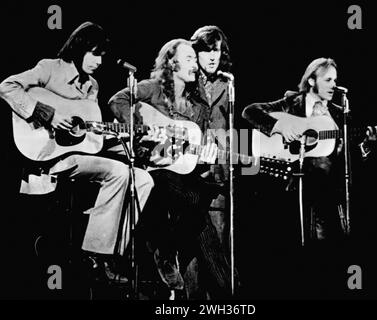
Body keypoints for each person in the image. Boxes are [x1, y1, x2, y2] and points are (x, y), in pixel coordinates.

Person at [0, 22, 154, 282]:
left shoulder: (92, 85)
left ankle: (108, 251)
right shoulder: (50, 68)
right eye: (94, 53)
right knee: (118, 172)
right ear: (78, 48)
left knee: (142, 177)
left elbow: (88, 135)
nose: (98, 61)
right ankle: (97, 255)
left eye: (102, 56)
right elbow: (6, 86)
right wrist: (47, 113)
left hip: (76, 155)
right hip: (46, 156)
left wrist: (127, 137)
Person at [108, 39, 219, 293]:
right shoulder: (153, 88)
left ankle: (166, 250)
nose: (195, 64)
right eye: (189, 58)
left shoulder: (196, 106)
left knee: (206, 192)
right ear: (172, 62)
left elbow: (191, 152)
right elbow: (117, 101)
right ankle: (166, 253)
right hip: (153, 167)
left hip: (180, 169)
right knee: (190, 197)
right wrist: (144, 129)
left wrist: (207, 155)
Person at [242, 57, 377, 242]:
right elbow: (249, 112)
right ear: (311, 81)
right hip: (289, 190)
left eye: (335, 80)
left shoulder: (340, 114)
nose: (334, 85)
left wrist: (366, 144)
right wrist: (279, 127)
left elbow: (348, 159)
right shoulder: (290, 102)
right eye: (328, 80)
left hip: (325, 196)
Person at [188, 25, 238, 298]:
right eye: (206, 50)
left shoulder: (226, 84)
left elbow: (231, 131)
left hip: (217, 173)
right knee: (191, 248)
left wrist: (231, 166)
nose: (211, 56)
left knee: (217, 243)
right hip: (187, 170)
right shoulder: (184, 79)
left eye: (216, 50)